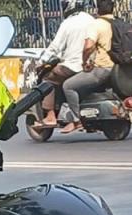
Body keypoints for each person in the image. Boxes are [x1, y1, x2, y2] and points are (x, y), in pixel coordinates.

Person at [60, 0, 116, 135]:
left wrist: (84, 62)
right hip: (117, 69)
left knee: (68, 86)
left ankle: (76, 120)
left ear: (98, 9)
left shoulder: (96, 24)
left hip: (102, 69)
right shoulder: (117, 24)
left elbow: (89, 47)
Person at [36, 0, 93, 128]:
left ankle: (50, 116)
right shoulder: (91, 20)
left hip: (72, 66)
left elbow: (55, 47)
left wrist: (41, 62)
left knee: (47, 79)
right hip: (89, 67)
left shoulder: (67, 23)